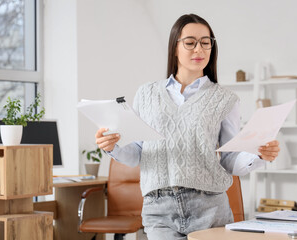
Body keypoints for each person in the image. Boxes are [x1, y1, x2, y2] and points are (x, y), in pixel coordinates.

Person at [95, 13, 280, 240]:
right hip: (159, 209)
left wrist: (259, 154)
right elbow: (137, 154)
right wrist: (112, 146)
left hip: (209, 207)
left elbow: (229, 159)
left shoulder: (225, 99)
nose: (199, 50)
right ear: (174, 47)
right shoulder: (147, 94)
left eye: (205, 43)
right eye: (190, 43)